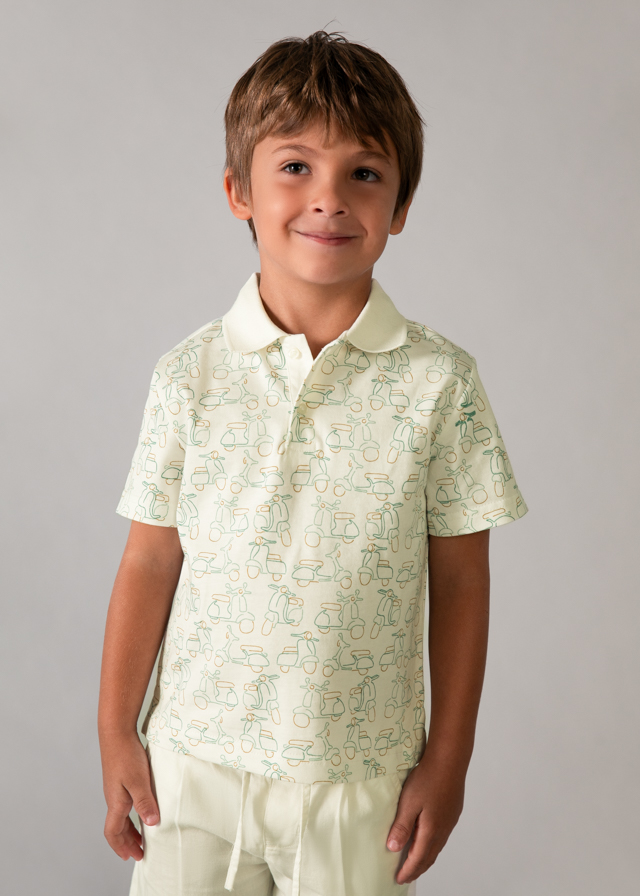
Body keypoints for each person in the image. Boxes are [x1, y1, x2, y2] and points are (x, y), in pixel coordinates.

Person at [98, 30, 529, 896]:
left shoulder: (441, 383)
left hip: (357, 780)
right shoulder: (189, 374)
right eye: (295, 167)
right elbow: (149, 558)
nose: (328, 198)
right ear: (239, 191)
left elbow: (462, 580)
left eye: (363, 173)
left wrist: (448, 760)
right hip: (189, 768)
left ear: (400, 205)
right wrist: (115, 733)